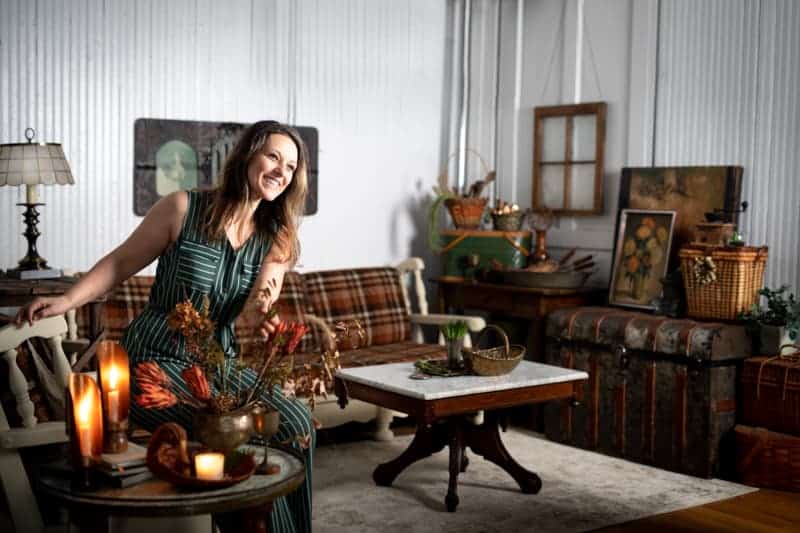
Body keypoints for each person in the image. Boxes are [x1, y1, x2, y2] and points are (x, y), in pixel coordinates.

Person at [16, 120, 315, 533]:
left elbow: (260, 300)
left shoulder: (276, 234)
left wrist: (265, 318)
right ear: (248, 155)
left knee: (298, 424)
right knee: (231, 434)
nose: (282, 171)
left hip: (217, 365)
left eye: (291, 166)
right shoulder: (183, 207)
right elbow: (121, 262)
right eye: (273, 157)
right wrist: (66, 300)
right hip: (153, 361)